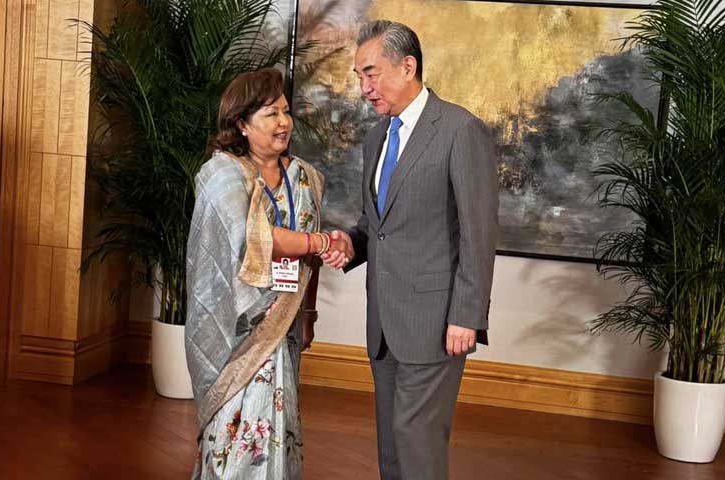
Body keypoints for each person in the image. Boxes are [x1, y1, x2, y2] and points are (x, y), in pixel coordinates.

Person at [323, 20, 499, 479]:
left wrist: (467, 315)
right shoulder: (377, 138)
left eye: (371, 74)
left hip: (435, 322)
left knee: (418, 445)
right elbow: (377, 226)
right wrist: (351, 242)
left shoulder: (460, 130)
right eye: (359, 77)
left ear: (407, 66)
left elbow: (478, 233)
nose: (364, 88)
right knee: (392, 450)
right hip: (383, 324)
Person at [185, 68, 353, 480]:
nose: (283, 123)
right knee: (236, 429)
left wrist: (308, 314)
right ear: (241, 124)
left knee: (279, 422)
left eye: (286, 112)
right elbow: (252, 237)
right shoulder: (221, 175)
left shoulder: (305, 178)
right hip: (236, 327)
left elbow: (309, 264)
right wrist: (319, 241)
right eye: (270, 114)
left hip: (285, 324)